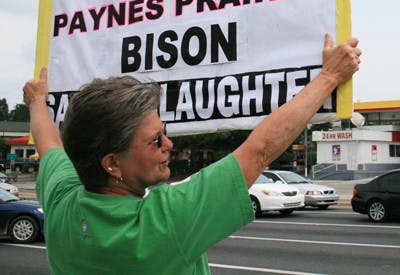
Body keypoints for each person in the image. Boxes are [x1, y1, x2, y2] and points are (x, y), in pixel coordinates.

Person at [23, 34, 361, 274]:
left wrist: (37, 102)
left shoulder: (60, 202)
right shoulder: (162, 223)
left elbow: (49, 143)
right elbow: (259, 151)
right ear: (112, 163)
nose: (170, 146)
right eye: (156, 140)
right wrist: (330, 75)